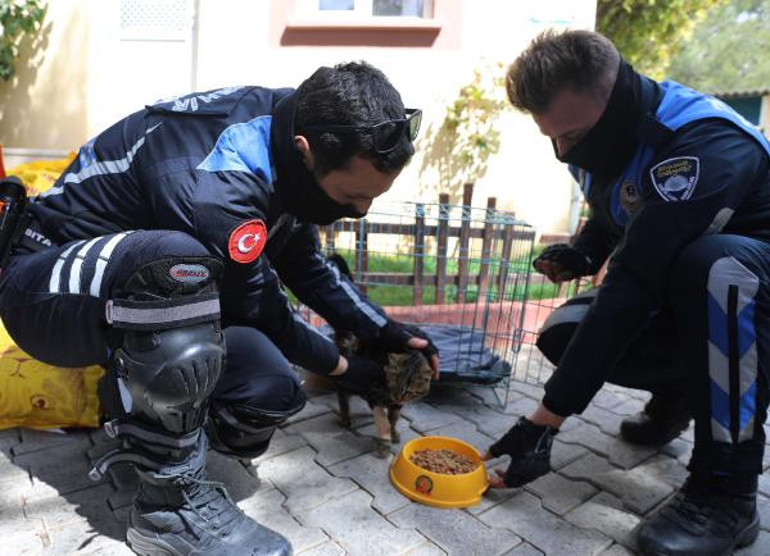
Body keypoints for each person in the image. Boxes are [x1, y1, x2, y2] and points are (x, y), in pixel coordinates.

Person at [0, 61, 438, 556]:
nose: (361, 212)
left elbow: (306, 267)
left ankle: (134, 406)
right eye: (354, 196)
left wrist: (385, 330)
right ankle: (167, 511)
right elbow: (260, 308)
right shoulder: (217, 182)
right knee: (178, 265)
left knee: (267, 395)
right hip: (41, 286)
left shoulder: (298, 131)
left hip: (121, 295)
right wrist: (345, 369)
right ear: (306, 155)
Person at [485, 29, 770, 556]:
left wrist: (544, 421)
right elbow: (617, 220)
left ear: (614, 102)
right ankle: (682, 394)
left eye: (571, 136)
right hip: (697, 296)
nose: (562, 152)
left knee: (717, 268)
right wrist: (584, 252)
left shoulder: (705, 145)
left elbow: (634, 283)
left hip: (752, 294)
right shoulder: (601, 142)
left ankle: (727, 492)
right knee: (567, 334)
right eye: (552, 138)